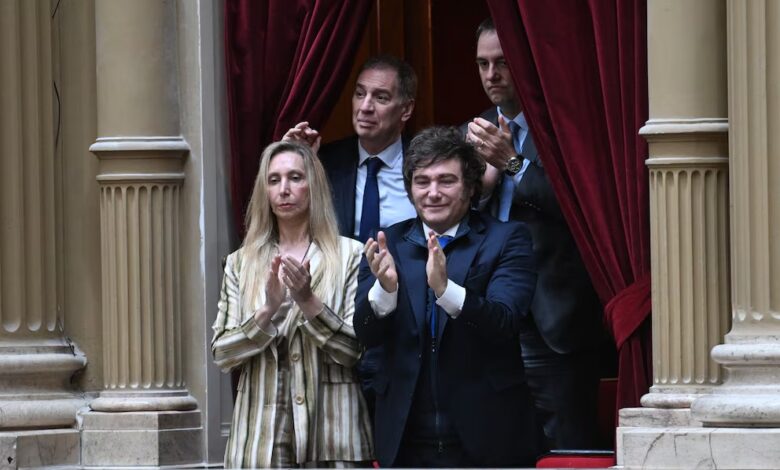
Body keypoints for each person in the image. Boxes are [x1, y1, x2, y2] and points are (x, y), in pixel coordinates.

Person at [354, 126, 545, 467]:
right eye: (422, 182)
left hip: (488, 437)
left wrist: (445, 291)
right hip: (406, 438)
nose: (433, 193)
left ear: (471, 186)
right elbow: (366, 334)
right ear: (410, 189)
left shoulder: (506, 239)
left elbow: (503, 321)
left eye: (446, 181)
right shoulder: (388, 244)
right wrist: (385, 291)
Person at [464, 18, 607, 450]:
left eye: (503, 63)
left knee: (566, 445)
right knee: (498, 445)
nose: (492, 75)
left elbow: (584, 208)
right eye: (483, 64)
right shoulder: (470, 134)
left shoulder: (562, 129)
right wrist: (479, 190)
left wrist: (513, 164)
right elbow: (449, 222)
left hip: (554, 321)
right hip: (490, 315)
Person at [211, 141, 373, 468]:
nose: (284, 189)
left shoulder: (350, 256)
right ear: (264, 192)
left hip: (332, 435)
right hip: (259, 439)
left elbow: (355, 351)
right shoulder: (240, 263)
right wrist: (266, 312)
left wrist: (308, 301)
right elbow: (222, 353)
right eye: (274, 180)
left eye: (295, 178)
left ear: (313, 187)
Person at [284, 55, 418, 416]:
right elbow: (284, 226)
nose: (365, 107)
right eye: (359, 94)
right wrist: (296, 165)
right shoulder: (326, 161)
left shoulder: (425, 165)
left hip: (407, 326)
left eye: (380, 97)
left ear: (405, 110)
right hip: (335, 323)